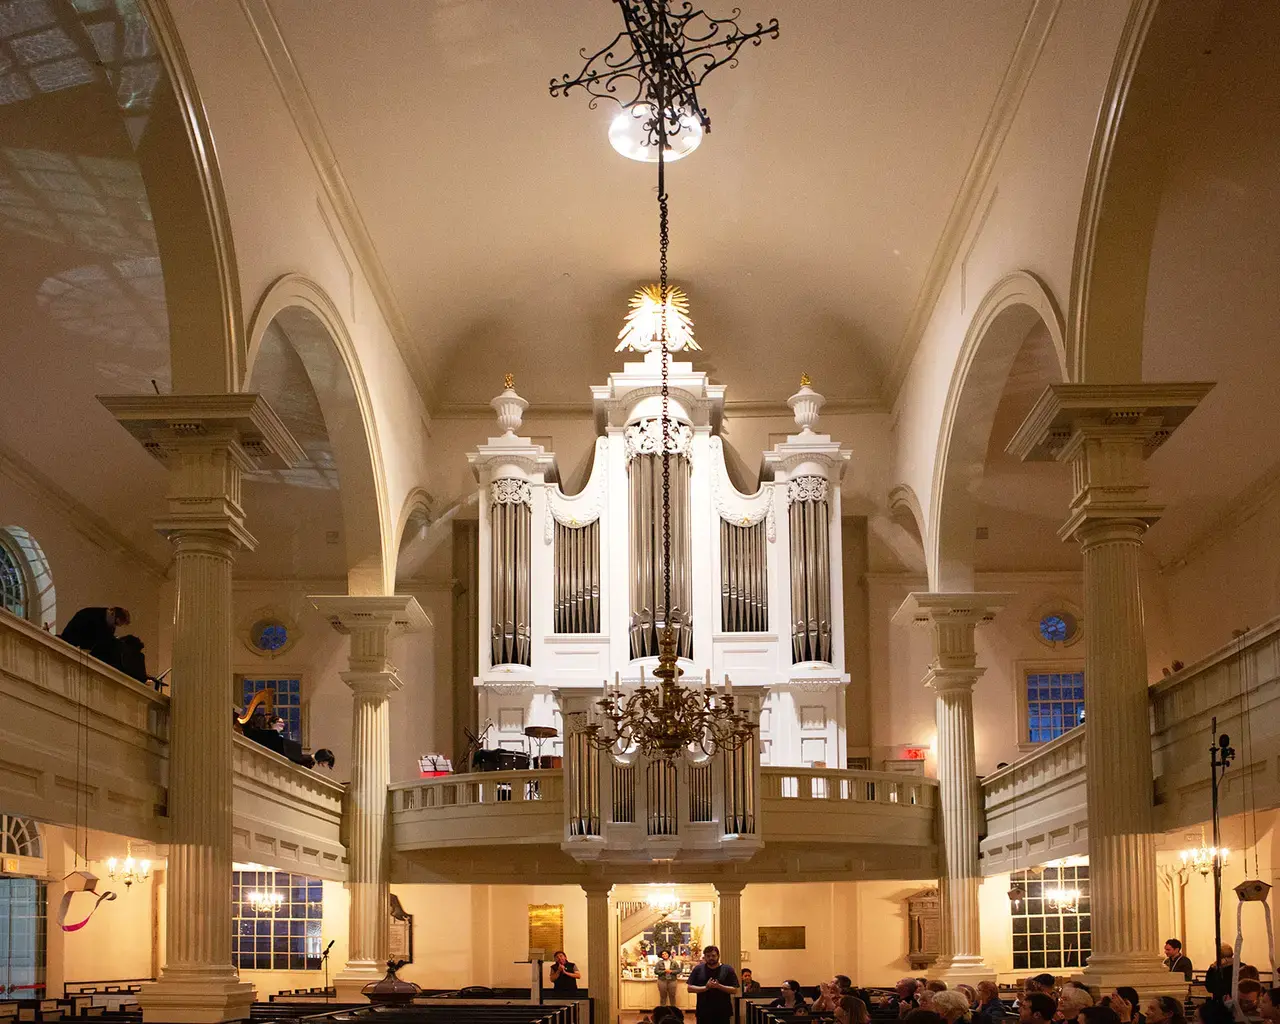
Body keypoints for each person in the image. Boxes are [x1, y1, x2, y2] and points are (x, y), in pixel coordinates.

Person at [60, 606, 130, 668]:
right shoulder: (89, 614)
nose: (115, 626)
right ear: (112, 613)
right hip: (72, 644)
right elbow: (75, 632)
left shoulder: (110, 626)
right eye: (116, 623)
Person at [686, 945, 739, 1024]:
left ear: (718, 956)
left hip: (722, 1010)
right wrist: (706, 988)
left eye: (713, 956)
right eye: (708, 956)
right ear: (705, 957)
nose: (711, 958)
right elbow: (689, 988)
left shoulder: (727, 969)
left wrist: (719, 986)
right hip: (703, 1010)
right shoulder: (698, 969)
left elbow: (735, 990)